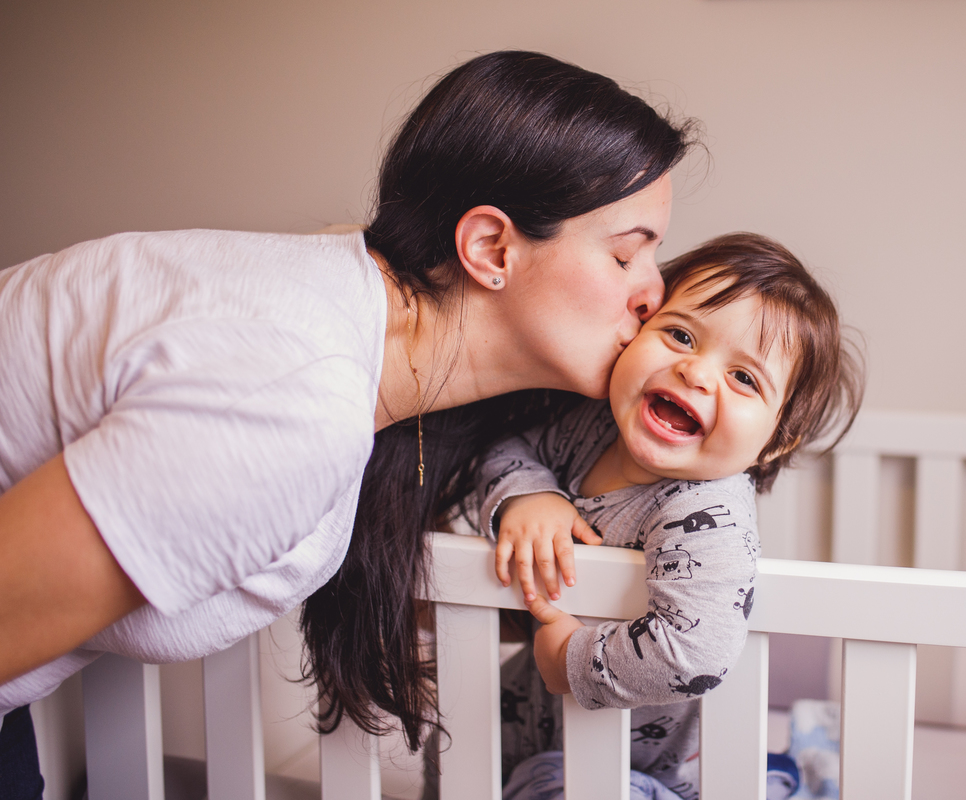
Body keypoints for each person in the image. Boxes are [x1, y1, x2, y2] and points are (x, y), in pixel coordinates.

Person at [0, 50, 696, 792]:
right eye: (627, 258)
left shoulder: (352, 309)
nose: (657, 295)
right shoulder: (291, 401)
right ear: (491, 248)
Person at [474, 233, 863, 799]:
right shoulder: (586, 430)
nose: (696, 373)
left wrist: (570, 659)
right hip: (533, 732)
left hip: (660, 775)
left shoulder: (709, 511)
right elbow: (503, 449)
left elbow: (693, 652)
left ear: (777, 439)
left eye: (744, 378)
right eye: (680, 335)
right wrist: (532, 494)